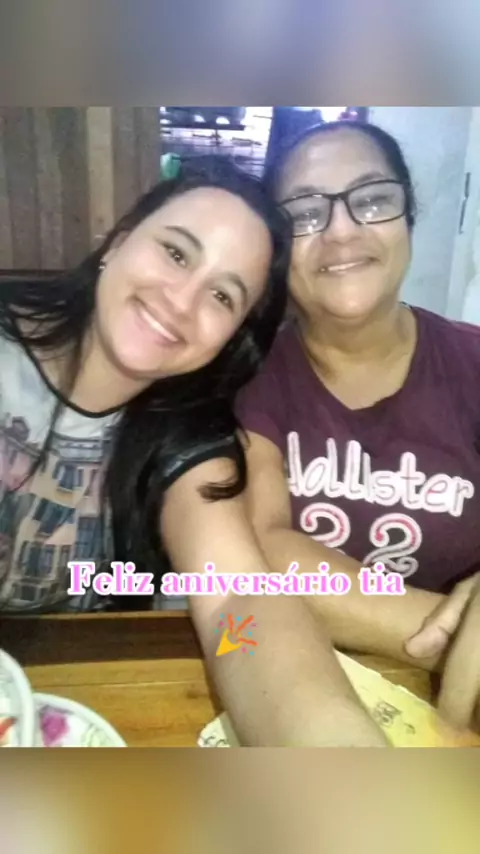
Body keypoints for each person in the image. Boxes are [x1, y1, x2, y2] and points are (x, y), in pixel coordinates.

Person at [0, 155, 388, 746]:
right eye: (176, 253)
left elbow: (237, 603)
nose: (181, 302)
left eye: (223, 296)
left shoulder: (191, 435)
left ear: (231, 339)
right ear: (118, 243)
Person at [236, 121, 480, 733]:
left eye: (372, 200)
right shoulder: (248, 375)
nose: (342, 230)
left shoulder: (473, 363)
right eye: (305, 212)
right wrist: (454, 636)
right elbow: (263, 548)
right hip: (282, 680)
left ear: (408, 217)